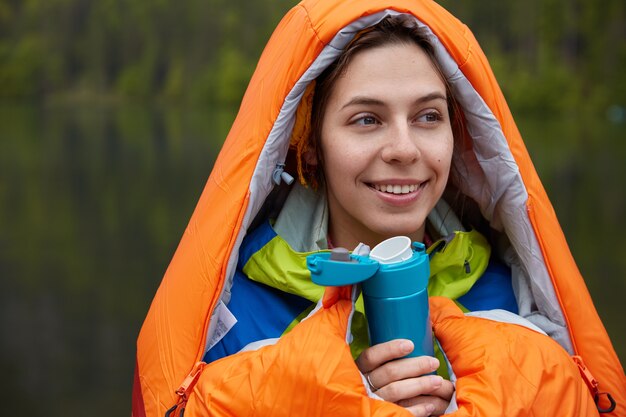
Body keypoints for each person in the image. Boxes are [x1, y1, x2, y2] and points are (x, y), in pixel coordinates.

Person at [132, 1, 626, 417]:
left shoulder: (514, 304)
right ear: (309, 146)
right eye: (367, 119)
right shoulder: (230, 317)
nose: (405, 149)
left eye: (428, 116)